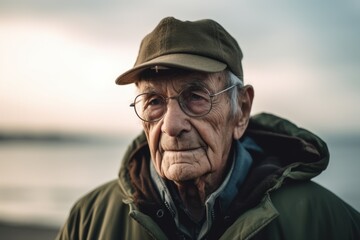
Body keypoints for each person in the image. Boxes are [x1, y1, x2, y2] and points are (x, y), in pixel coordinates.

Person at [56, 17, 360, 240]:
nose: (172, 125)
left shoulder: (325, 222)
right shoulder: (89, 221)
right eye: (153, 101)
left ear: (240, 110)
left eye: (196, 97)